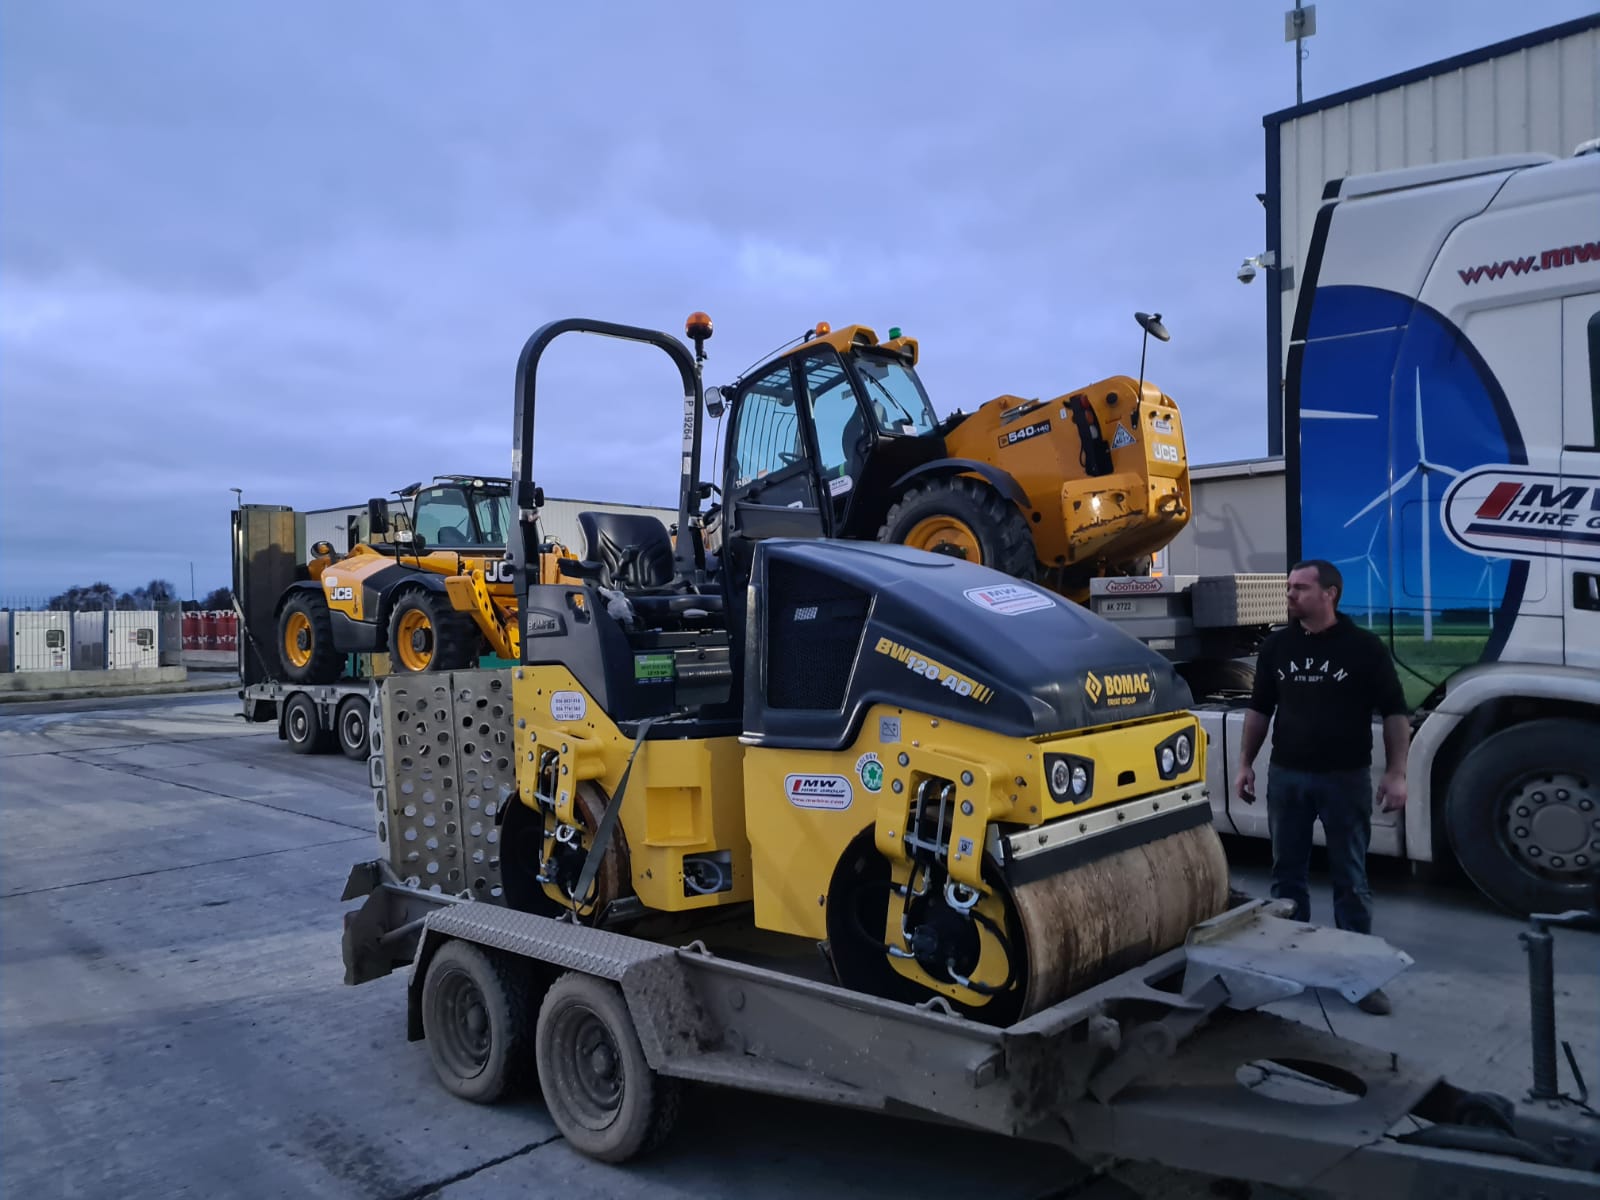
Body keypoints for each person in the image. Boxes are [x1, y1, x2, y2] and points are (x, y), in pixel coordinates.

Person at [1232, 559, 1411, 1015]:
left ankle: (1359, 976)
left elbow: (1395, 714)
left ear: (1330, 594)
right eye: (1289, 587)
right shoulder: (1277, 647)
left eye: (1301, 588)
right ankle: (1292, 966)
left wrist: (1397, 773)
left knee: (1351, 878)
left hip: (1344, 779)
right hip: (1287, 777)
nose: (1290, 595)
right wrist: (1246, 764)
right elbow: (1259, 709)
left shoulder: (1364, 648)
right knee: (1287, 877)